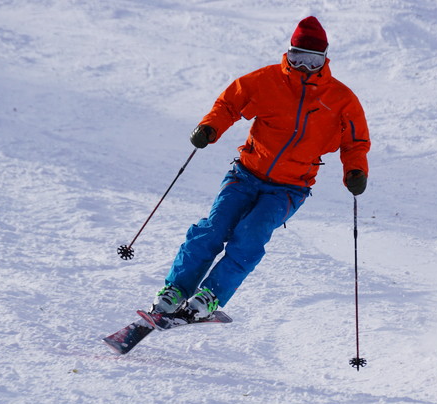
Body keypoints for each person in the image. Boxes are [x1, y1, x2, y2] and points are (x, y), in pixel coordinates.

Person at [152, 16, 371, 320]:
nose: (303, 67)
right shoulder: (266, 81)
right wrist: (209, 127)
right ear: (288, 53)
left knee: (251, 235)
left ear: (324, 59)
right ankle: (176, 289)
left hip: (290, 188)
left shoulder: (341, 100)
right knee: (213, 229)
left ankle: (212, 294)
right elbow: (229, 104)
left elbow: (355, 143)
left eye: (311, 60)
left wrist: (355, 171)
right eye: (297, 58)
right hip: (244, 174)